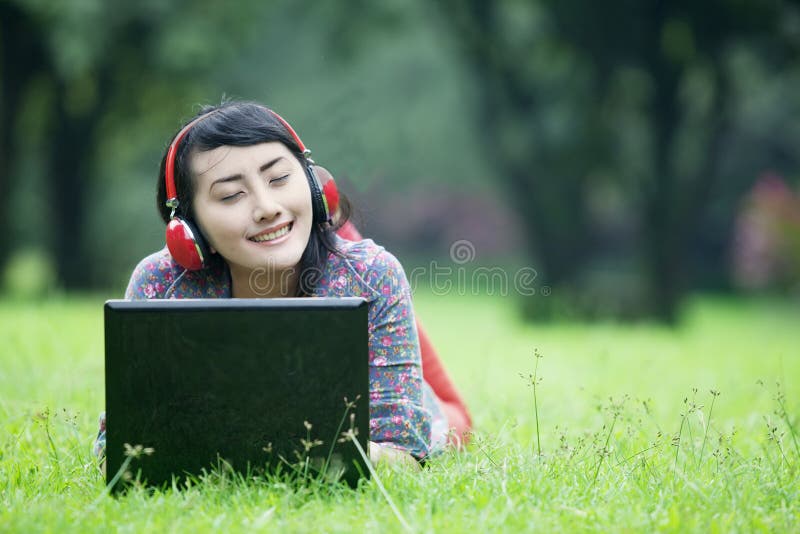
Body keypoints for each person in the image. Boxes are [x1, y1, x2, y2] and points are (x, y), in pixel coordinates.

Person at [95, 100, 471, 468]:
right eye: (230, 195)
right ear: (189, 229)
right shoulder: (162, 285)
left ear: (313, 185)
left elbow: (405, 452)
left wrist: (271, 443)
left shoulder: (373, 274)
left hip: (420, 404)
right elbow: (118, 450)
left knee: (456, 423)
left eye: (279, 179)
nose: (267, 206)